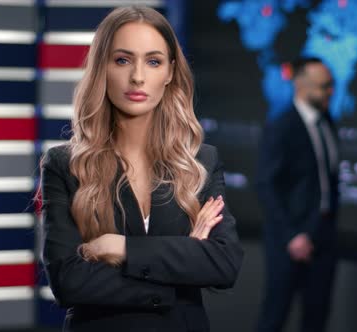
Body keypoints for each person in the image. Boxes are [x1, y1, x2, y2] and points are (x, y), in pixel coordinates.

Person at [39, 6, 244, 332]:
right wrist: (181, 264)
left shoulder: (200, 162)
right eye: (122, 60)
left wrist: (120, 248)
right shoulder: (65, 164)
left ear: (170, 72)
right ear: (102, 68)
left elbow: (223, 264)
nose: (137, 76)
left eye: (153, 61)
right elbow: (69, 282)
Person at [255, 57, 339, 332]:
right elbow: (266, 184)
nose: (330, 92)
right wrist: (292, 234)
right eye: (324, 86)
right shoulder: (282, 126)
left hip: (324, 235)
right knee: (275, 316)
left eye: (332, 85)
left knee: (317, 318)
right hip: (288, 240)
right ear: (301, 86)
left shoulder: (327, 122)